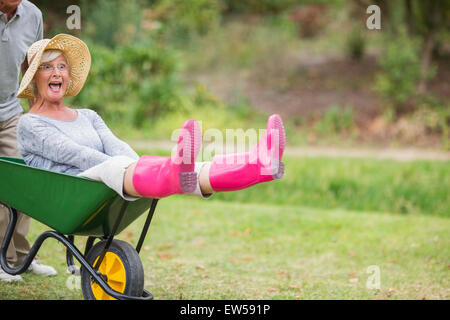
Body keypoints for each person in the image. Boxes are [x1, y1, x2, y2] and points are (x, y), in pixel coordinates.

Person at [15, 34, 286, 213]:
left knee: (191, 168)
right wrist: (136, 168)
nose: (57, 73)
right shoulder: (29, 124)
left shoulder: (88, 115)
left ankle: (260, 163)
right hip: (72, 191)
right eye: (47, 67)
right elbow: (74, 155)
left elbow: (116, 145)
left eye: (62, 66)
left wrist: (142, 165)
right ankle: (171, 171)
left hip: (105, 183)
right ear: (33, 78)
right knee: (122, 165)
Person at [0, 0, 56, 282]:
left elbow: (29, 66)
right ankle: (2, 260)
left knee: (22, 182)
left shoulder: (32, 14)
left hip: (10, 112)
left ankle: (20, 257)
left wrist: (36, 113)